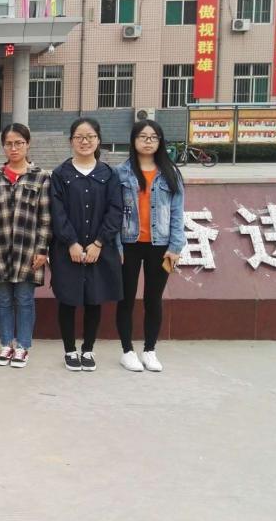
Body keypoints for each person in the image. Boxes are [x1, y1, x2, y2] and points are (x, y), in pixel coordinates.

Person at [49, 117, 123, 372]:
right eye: (79, 137)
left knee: (94, 298)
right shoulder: (60, 174)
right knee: (67, 299)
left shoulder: (108, 174)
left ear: (98, 140)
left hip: (99, 250)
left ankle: (88, 349)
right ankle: (70, 350)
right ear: (71, 141)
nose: (84, 141)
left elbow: (115, 211)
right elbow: (57, 212)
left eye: (90, 137)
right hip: (66, 249)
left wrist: (99, 243)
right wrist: (71, 242)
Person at [0, 123, 51, 368]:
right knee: (3, 300)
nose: (14, 148)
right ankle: (6, 344)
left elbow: (45, 217)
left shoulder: (40, 177)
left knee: (24, 299)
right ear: (3, 146)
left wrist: (42, 249)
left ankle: (23, 346)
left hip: (28, 249)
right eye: (9, 143)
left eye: (19, 143)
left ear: (28, 144)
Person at [115, 120, 185, 372]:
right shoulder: (121, 173)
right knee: (126, 299)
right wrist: (116, 247)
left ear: (160, 142)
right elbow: (114, 212)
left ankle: (150, 350)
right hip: (129, 244)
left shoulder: (170, 173)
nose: (148, 141)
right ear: (134, 140)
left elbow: (177, 212)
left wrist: (175, 246)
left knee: (153, 299)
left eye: (153, 137)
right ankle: (127, 351)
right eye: (143, 137)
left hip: (161, 245)